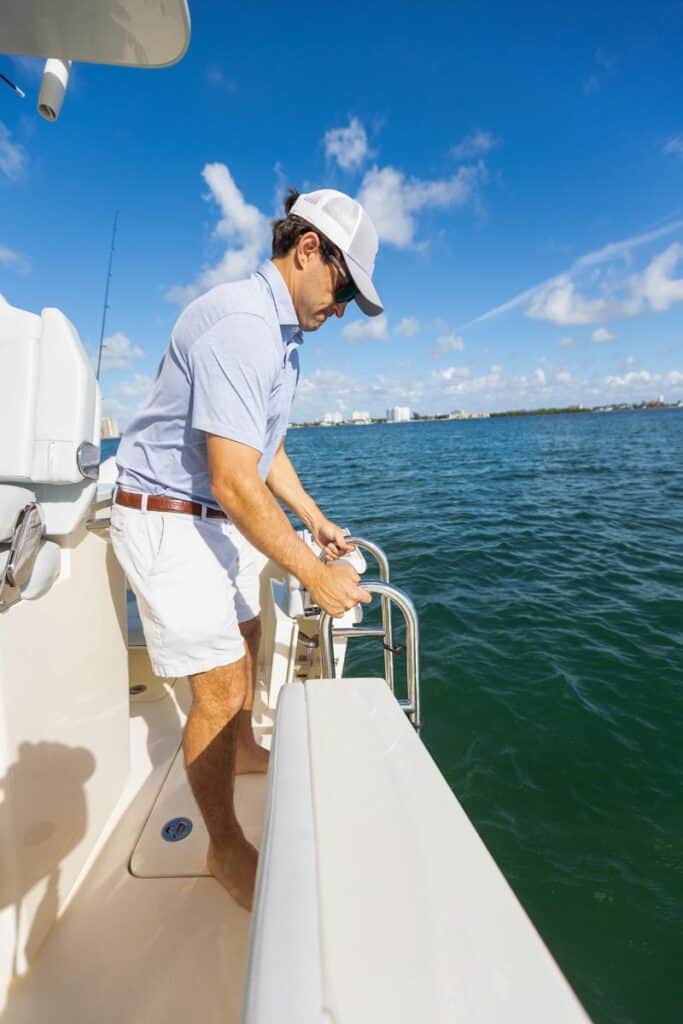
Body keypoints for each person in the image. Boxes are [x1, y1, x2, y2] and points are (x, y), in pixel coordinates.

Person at [110, 187, 384, 908]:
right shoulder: (242, 326)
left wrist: (313, 519)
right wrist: (314, 576)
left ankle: (245, 751)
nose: (343, 309)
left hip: (212, 517)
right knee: (223, 687)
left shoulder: (282, 340)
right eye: (345, 289)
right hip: (168, 518)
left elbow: (265, 448)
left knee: (252, 633)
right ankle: (223, 850)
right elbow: (234, 479)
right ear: (308, 251)